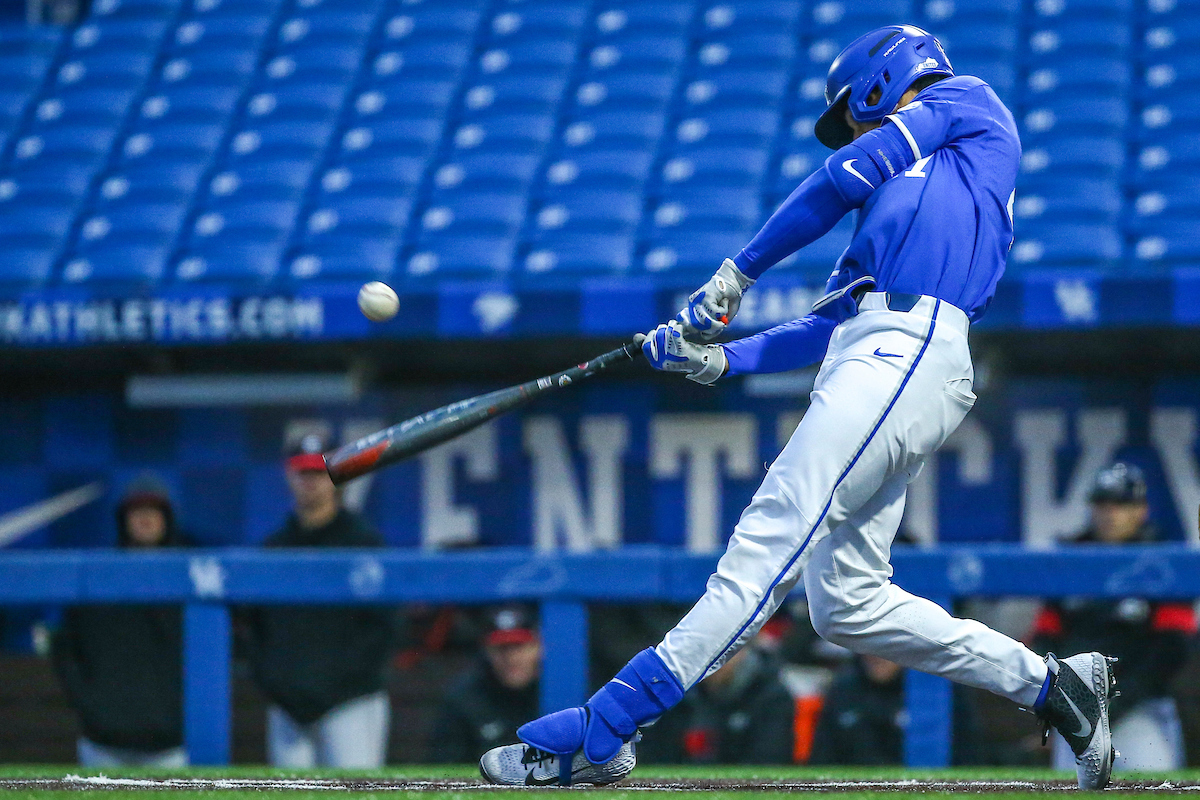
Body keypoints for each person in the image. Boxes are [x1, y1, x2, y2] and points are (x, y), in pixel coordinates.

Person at [479, 25, 1118, 790]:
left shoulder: (962, 103)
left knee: (772, 532)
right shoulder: (896, 200)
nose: (853, 123)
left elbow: (841, 175)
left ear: (884, 80)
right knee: (846, 604)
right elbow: (830, 323)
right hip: (876, 354)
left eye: (853, 109)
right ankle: (1053, 687)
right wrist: (716, 358)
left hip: (911, 347)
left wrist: (738, 271)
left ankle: (609, 723)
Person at [243, 431, 395, 768]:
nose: (311, 480)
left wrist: (336, 685)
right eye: (303, 471)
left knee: (357, 796)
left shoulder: (364, 543)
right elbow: (254, 629)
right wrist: (278, 686)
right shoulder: (274, 549)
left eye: (318, 470)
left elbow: (386, 627)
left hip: (350, 703)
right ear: (289, 475)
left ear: (337, 474)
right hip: (288, 708)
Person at [1032, 462, 1194, 772]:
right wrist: (1062, 698)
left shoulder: (1164, 559)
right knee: (1071, 792)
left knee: (1151, 788)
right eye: (1102, 504)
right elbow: (1046, 636)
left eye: (1120, 504)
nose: (1110, 513)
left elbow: (1173, 649)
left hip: (1140, 707)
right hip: (1079, 709)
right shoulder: (1071, 557)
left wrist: (1115, 702)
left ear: (1141, 510)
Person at [52, 474, 190, 767]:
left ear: (167, 518)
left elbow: (209, 655)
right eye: (137, 511)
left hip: (169, 744)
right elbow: (65, 648)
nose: (145, 519)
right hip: (103, 742)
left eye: (154, 511)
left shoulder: (189, 579)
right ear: (123, 519)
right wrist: (90, 708)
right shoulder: (96, 578)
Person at [810, 654, 979, 765]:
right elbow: (821, 757)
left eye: (886, 647)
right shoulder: (843, 689)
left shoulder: (938, 690)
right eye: (867, 644)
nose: (876, 655)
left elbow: (968, 756)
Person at [428, 606, 542, 763]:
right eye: (501, 649)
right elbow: (444, 764)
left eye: (519, 647)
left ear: (539, 648)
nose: (512, 658)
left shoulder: (560, 692)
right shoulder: (465, 699)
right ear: (487, 651)